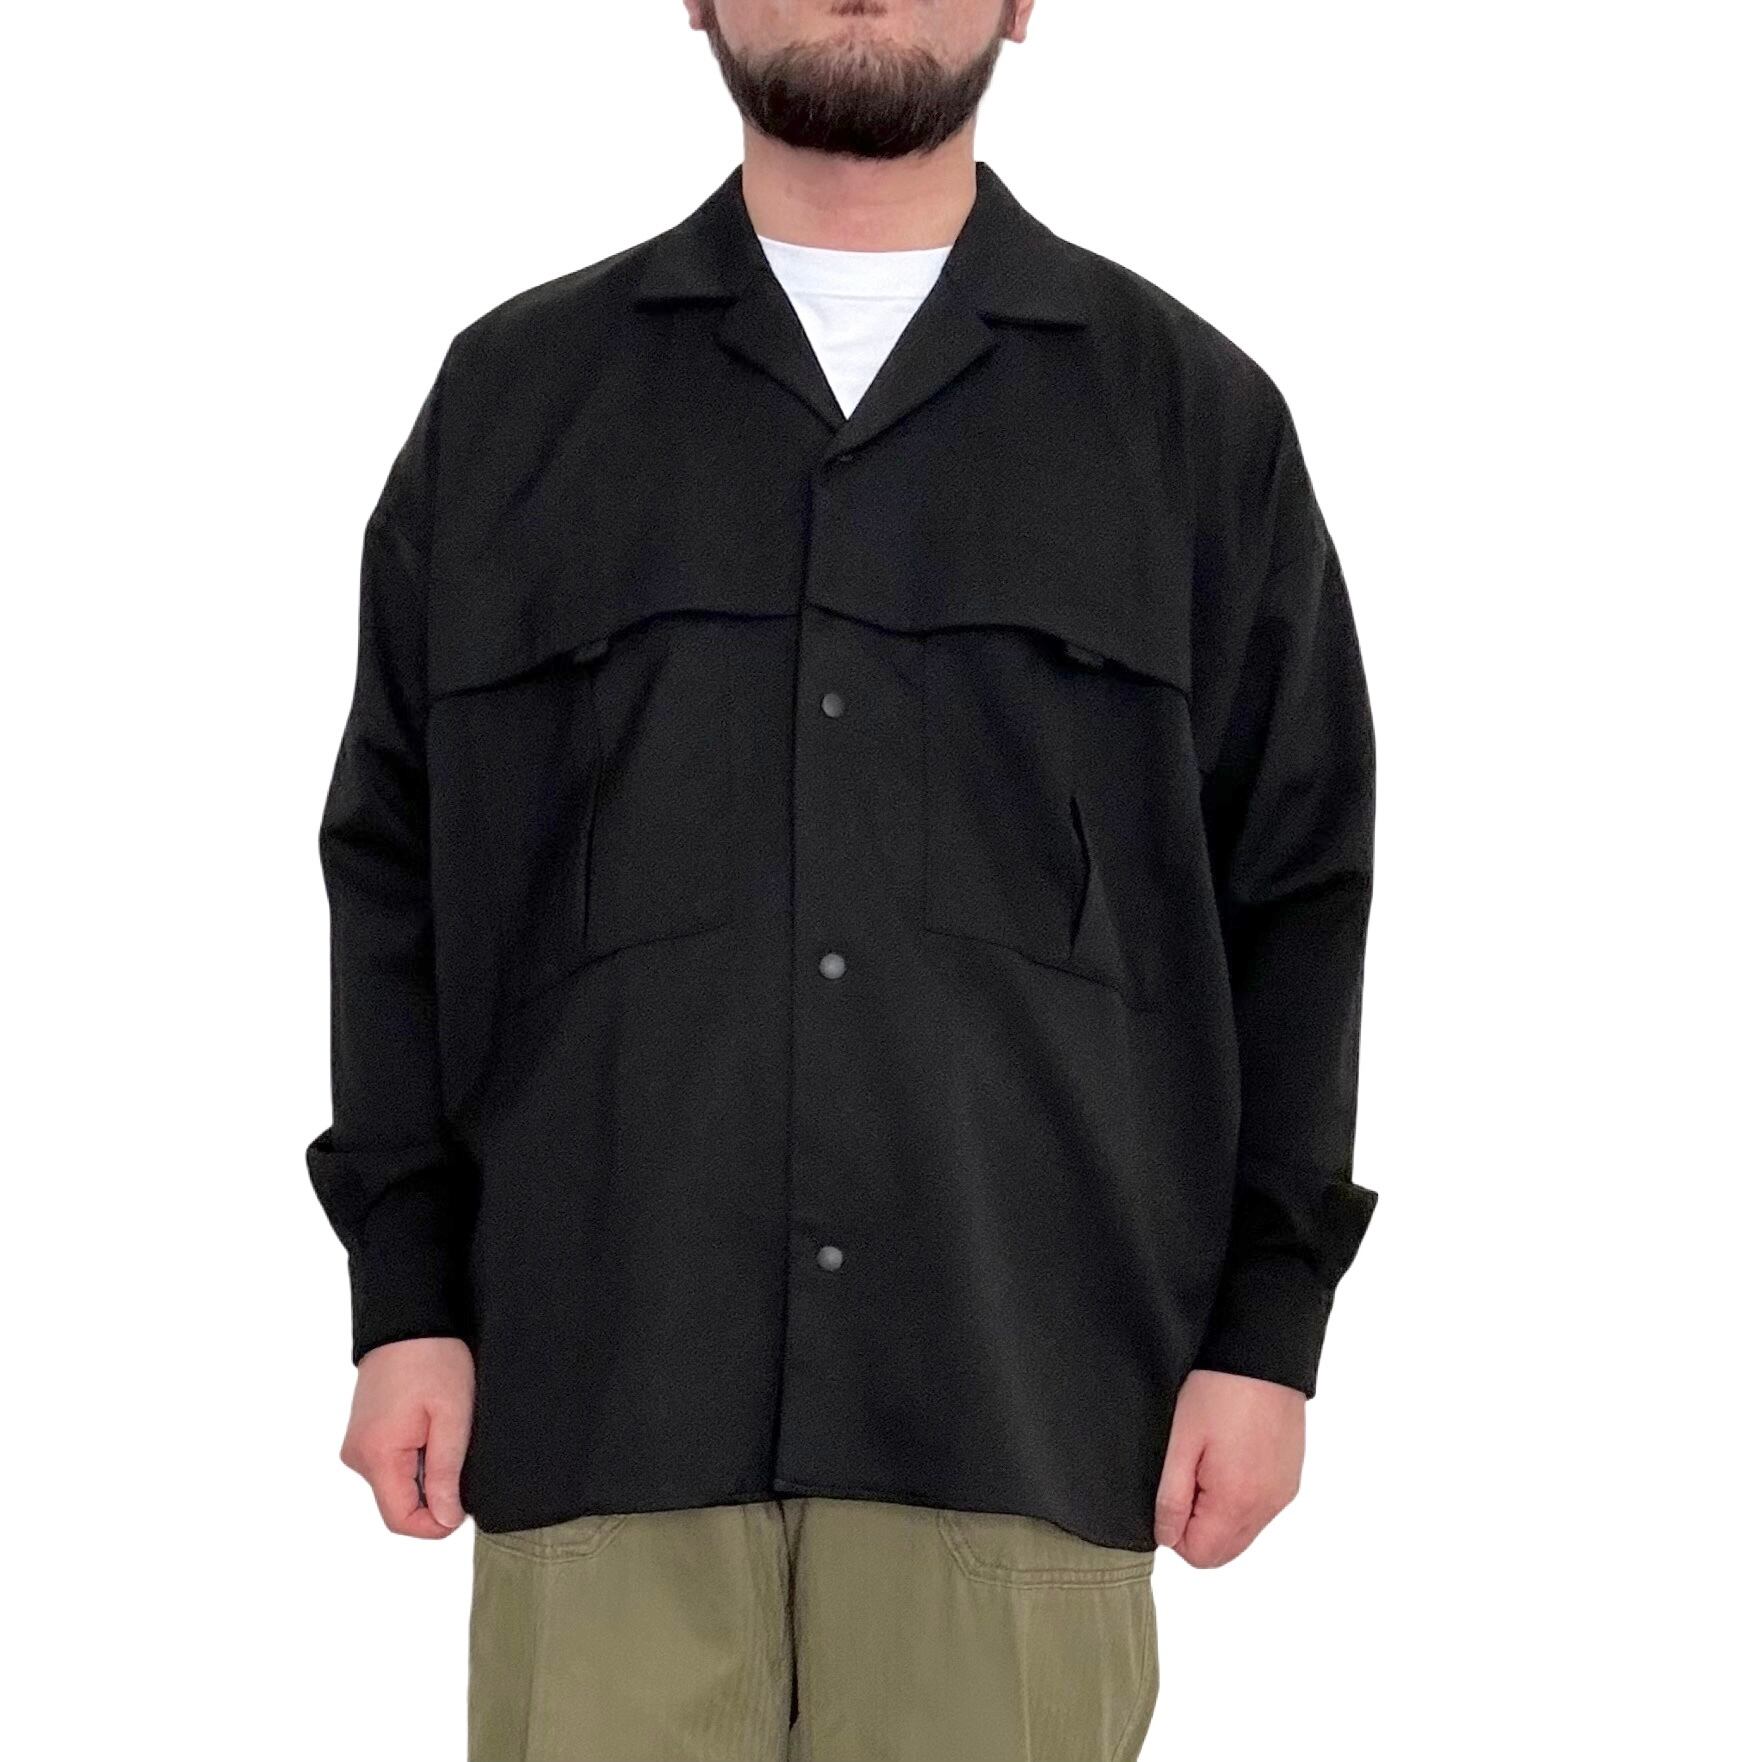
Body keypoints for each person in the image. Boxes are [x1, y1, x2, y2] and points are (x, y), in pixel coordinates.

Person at [305, 3, 1379, 1757]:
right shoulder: (513, 402)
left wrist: (1269, 1328)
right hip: (598, 1402)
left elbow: (1296, 888)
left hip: (1024, 1411)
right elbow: (395, 869)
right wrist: (403, 1295)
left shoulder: (1188, 419)